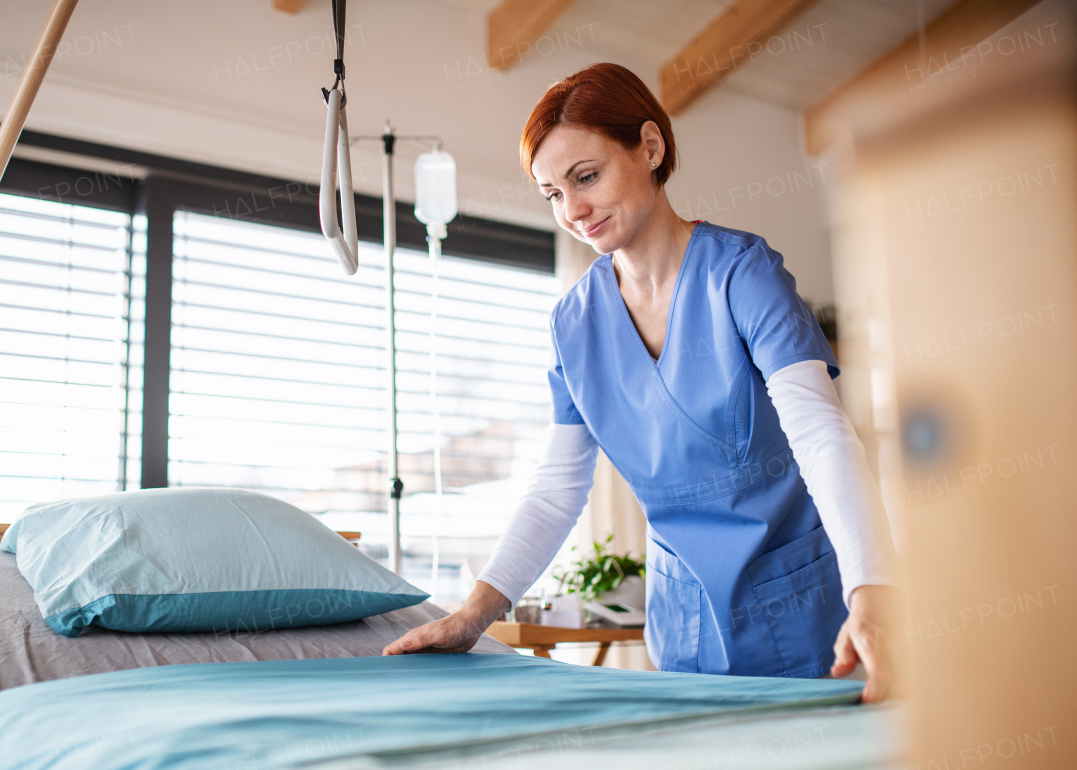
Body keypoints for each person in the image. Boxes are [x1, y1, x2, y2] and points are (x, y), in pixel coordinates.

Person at [384, 63, 897, 702]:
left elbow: (820, 432)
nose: (572, 210)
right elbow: (557, 489)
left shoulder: (741, 275)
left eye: (586, 177)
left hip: (806, 612)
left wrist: (872, 589)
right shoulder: (575, 324)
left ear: (650, 148)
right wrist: (472, 614)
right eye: (551, 193)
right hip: (683, 623)